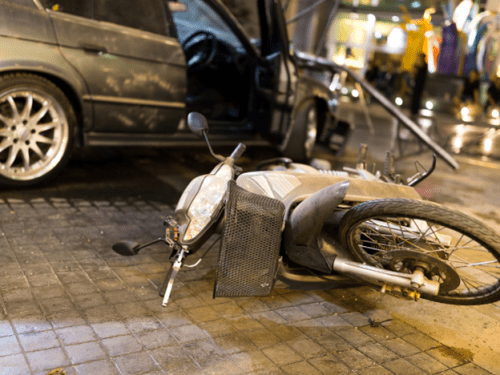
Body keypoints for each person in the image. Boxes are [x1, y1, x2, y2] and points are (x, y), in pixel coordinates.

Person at [410, 53, 428, 119]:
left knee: (417, 98)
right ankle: (413, 111)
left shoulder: (424, 66)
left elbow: (423, 76)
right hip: (416, 85)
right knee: (414, 98)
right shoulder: (419, 65)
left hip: (420, 85)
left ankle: (415, 111)